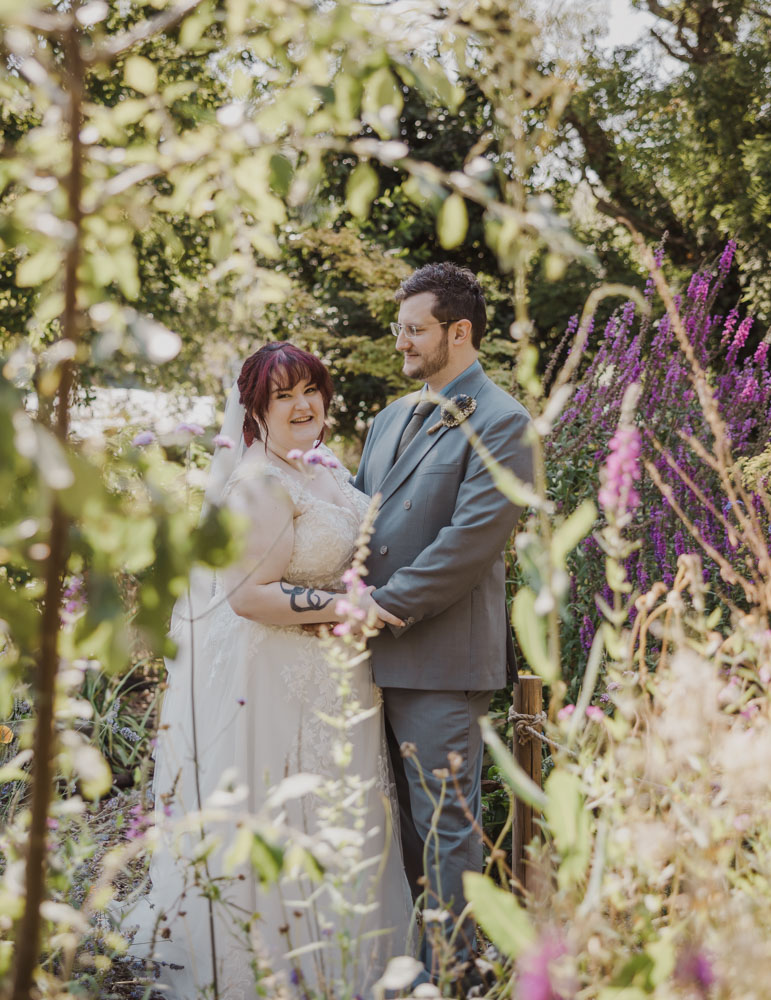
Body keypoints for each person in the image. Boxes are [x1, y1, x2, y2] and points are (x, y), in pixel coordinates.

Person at [131, 342, 415, 999]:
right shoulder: (260, 481)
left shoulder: (322, 467)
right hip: (279, 679)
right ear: (254, 409)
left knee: (345, 812)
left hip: (336, 674)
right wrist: (347, 606)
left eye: (310, 389)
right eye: (283, 396)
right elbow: (249, 596)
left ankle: (353, 964)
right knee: (291, 816)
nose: (302, 404)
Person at [353, 263, 534, 985]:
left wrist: (380, 605)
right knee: (389, 833)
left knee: (444, 833)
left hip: (440, 665)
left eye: (414, 329)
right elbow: (355, 521)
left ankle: (456, 975)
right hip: (364, 660)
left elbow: (468, 543)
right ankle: (407, 969)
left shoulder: (505, 422)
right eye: (400, 328)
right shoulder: (390, 417)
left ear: (459, 333)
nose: (401, 341)